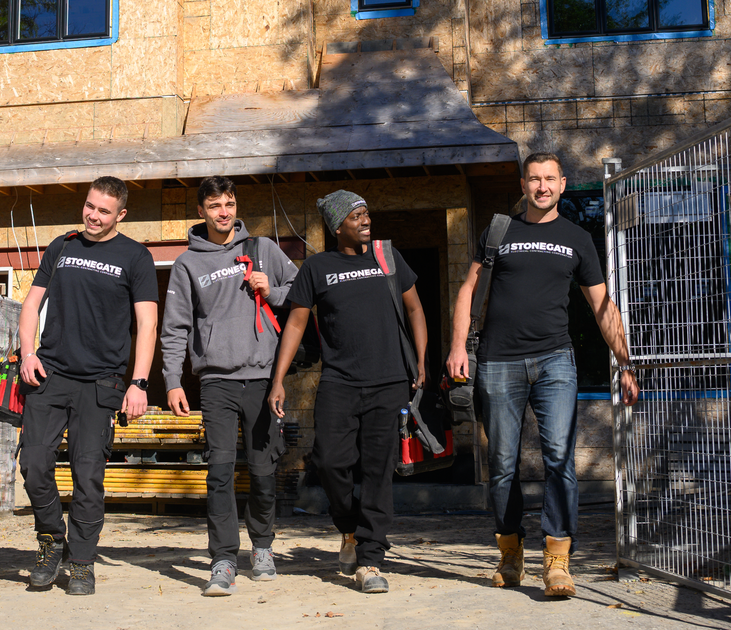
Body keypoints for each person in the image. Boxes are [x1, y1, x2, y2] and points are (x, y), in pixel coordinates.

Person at [445, 152, 639, 597]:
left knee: (559, 461)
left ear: (563, 184)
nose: (542, 186)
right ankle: (510, 552)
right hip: (497, 361)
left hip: (555, 361)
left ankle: (557, 560)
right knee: (502, 465)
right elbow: (469, 289)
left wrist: (625, 363)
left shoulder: (576, 238)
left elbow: (602, 306)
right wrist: (458, 346)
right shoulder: (500, 232)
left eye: (549, 179)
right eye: (534, 179)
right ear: (523, 184)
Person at [268, 190, 428, 594]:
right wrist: (278, 379)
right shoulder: (317, 267)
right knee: (328, 462)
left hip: (389, 382)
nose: (365, 219)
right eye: (356, 215)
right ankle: (350, 529)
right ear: (337, 226)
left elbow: (414, 309)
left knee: (378, 472)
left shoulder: (387, 258)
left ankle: (371, 561)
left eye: (366, 213)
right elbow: (297, 325)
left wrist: (423, 360)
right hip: (339, 381)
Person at [17, 176, 159, 595]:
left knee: (88, 476)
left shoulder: (135, 257)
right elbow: (31, 303)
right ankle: (49, 539)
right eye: (90, 206)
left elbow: (147, 323)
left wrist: (138, 382)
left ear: (121, 215)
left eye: (103, 211)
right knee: (33, 464)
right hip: (51, 374)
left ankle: (80, 561)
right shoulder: (62, 247)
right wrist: (28, 352)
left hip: (102, 382)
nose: (93, 216)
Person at [161, 176, 298, 596]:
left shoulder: (263, 250)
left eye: (230, 203)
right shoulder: (188, 264)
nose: (225, 212)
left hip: (261, 378)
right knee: (219, 473)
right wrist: (171, 381)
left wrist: (272, 290)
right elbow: (175, 328)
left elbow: (302, 295)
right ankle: (222, 559)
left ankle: (262, 547)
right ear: (201, 211)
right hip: (216, 381)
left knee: (262, 470)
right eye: (215, 205)